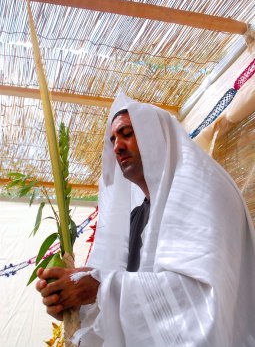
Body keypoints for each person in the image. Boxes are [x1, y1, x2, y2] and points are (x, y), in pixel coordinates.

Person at [36, 93, 255, 347]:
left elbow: (201, 301)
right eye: (113, 139)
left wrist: (100, 287)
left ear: (155, 136)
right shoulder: (138, 217)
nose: (117, 146)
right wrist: (74, 302)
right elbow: (133, 299)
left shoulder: (203, 191)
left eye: (127, 133)